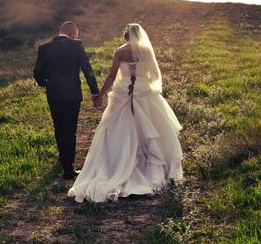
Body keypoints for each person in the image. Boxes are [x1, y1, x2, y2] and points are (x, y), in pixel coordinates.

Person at [68, 23, 183, 202]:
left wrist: (100, 95)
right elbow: (153, 74)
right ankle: (152, 168)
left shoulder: (120, 52)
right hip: (144, 92)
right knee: (151, 128)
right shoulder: (146, 51)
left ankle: (117, 165)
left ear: (125, 36)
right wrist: (143, 81)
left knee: (115, 129)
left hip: (123, 92)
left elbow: (112, 76)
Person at [33, 21, 100, 179]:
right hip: (72, 94)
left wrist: (45, 83)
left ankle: (63, 158)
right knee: (70, 130)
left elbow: (37, 73)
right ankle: (68, 170)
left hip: (53, 93)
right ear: (72, 34)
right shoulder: (76, 46)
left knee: (59, 126)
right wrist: (95, 91)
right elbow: (87, 70)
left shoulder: (44, 48)